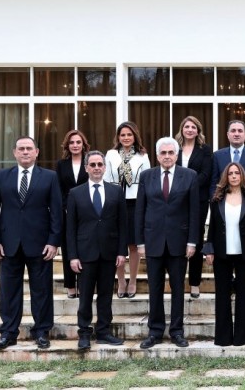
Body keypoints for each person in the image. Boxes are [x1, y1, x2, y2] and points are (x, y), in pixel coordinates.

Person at [0, 136, 61, 350]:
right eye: (21, 149)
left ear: (37, 152)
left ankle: (42, 331)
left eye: (29, 148)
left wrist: (54, 241)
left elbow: (56, 212)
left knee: (42, 290)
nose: (25, 152)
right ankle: (8, 333)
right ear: (14, 153)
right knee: (9, 291)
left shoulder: (49, 177)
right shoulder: (1, 176)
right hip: (8, 244)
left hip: (40, 244)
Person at [135, 137, 199, 349]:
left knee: (178, 288)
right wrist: (140, 242)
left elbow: (194, 212)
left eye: (171, 153)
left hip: (179, 243)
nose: (167, 156)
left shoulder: (189, 176)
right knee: (154, 288)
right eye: (163, 153)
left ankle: (177, 331)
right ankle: (155, 332)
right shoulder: (146, 176)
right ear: (157, 155)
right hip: (153, 242)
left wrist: (192, 241)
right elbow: (140, 211)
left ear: (177, 154)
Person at [66, 150, 128, 350]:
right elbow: (71, 228)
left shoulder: (116, 191)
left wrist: (121, 252)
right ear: (86, 168)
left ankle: (103, 331)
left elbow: (122, 224)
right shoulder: (75, 193)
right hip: (85, 254)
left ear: (105, 167)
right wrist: (73, 256)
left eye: (100, 164)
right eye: (92, 165)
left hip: (109, 253)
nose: (96, 168)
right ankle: (84, 333)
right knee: (84, 296)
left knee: (105, 295)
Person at [203, 162, 245, 346]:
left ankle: (243, 337)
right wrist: (209, 249)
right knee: (222, 294)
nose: (234, 176)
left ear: (242, 176)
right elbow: (212, 227)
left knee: (243, 295)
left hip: (244, 254)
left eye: (237, 173)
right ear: (225, 177)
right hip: (221, 253)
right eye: (230, 173)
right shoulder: (217, 199)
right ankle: (223, 337)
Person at [104, 121, 151, 299]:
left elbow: (146, 181)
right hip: (115, 201)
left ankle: (132, 280)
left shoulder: (142, 155)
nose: (126, 138)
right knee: (118, 244)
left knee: (133, 243)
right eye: (122, 135)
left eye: (129, 135)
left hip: (135, 202)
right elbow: (107, 178)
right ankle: (121, 280)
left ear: (135, 136)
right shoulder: (111, 154)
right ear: (118, 137)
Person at [175, 116, 213, 299]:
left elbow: (206, 173)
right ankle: (178, 280)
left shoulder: (205, 150)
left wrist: (187, 187)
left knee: (196, 240)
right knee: (178, 240)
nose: (189, 129)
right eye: (186, 126)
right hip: (175, 201)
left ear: (198, 131)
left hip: (198, 200)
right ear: (182, 129)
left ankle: (195, 283)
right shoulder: (174, 148)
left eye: (193, 127)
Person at [55, 130, 90, 299]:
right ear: (67, 146)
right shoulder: (61, 164)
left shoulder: (90, 162)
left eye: (78, 142)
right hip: (66, 212)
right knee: (68, 247)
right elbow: (58, 188)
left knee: (85, 247)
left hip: (87, 212)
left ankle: (84, 284)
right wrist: (66, 206)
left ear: (83, 144)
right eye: (72, 142)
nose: (75, 145)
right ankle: (70, 284)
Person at [212, 120, 245, 216]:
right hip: (224, 207)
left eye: (240, 131)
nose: (236, 134)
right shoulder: (217, 156)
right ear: (228, 134)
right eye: (233, 131)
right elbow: (213, 184)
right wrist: (214, 208)